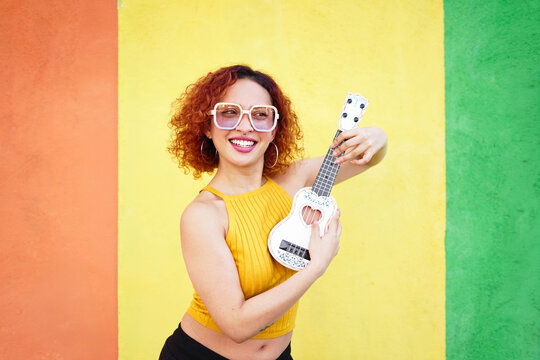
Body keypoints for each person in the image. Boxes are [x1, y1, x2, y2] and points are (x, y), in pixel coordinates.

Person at [160, 65, 387, 360]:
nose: (245, 126)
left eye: (260, 114)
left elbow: (366, 159)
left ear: (274, 128)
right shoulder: (203, 215)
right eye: (229, 112)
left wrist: (378, 137)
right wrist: (316, 266)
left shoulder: (297, 180)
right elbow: (237, 325)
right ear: (207, 125)